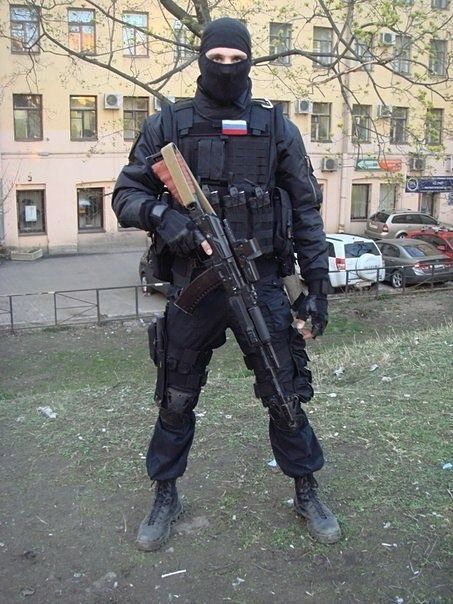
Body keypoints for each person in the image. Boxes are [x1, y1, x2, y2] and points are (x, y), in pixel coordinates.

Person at [112, 17, 341, 551]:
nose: (226, 68)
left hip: (260, 283)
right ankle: (165, 494)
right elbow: (126, 195)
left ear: (250, 62)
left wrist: (317, 289)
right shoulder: (168, 125)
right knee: (176, 395)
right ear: (201, 60)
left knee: (284, 389)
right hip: (195, 284)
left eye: (236, 60)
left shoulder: (277, 128)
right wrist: (163, 217)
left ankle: (305, 488)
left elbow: (306, 213)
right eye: (216, 58)